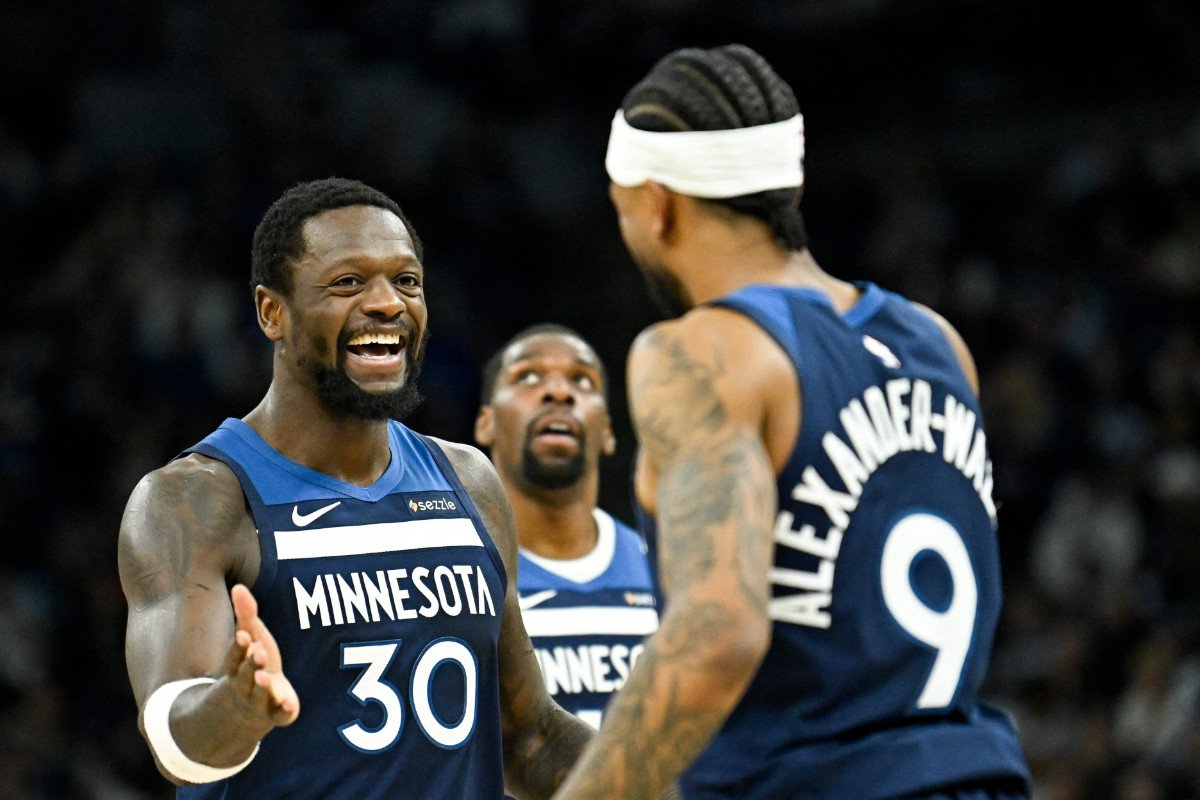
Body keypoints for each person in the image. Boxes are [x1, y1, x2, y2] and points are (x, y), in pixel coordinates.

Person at [552, 44, 1033, 800]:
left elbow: (717, 637)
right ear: (791, 183)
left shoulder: (703, 352)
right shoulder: (939, 343)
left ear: (655, 204)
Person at [117, 177, 594, 799]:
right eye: (348, 283)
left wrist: (669, 769)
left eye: (407, 281)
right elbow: (175, 747)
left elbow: (527, 739)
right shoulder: (196, 499)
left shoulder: (469, 483)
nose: (388, 303)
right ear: (272, 312)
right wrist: (237, 707)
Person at [475, 324, 660, 730]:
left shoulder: (663, 571)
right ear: (485, 424)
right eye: (527, 376)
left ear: (609, 431)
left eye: (582, 380)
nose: (559, 393)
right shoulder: (461, 575)